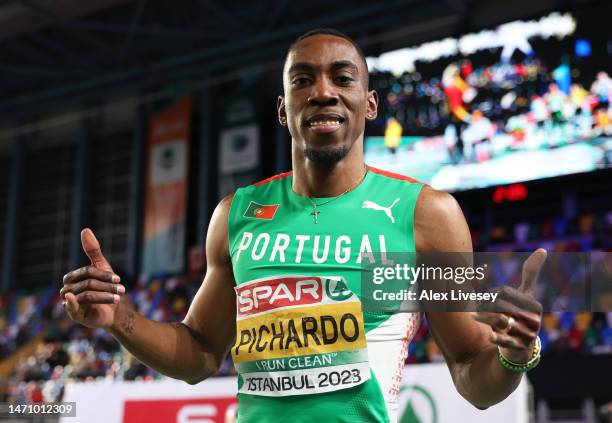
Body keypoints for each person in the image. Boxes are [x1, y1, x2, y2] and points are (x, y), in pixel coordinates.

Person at [60, 29, 546, 423]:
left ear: (370, 104)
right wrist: (120, 318)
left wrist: (515, 354)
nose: (323, 92)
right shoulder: (237, 214)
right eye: (303, 80)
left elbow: (470, 371)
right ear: (282, 109)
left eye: (342, 77)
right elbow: (200, 353)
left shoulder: (426, 215)